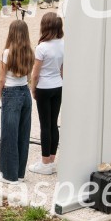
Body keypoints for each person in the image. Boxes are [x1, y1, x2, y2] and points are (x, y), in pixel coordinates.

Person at [0, 19, 34, 184]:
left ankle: (9, 176)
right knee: (23, 134)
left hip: (11, 93)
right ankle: (19, 173)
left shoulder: (7, 53)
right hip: (25, 93)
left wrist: (1, 95)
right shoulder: (30, 53)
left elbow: (1, 79)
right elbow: (29, 77)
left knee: (9, 135)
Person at [29, 12, 64, 175]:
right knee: (53, 124)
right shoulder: (63, 44)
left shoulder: (42, 47)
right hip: (58, 86)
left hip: (44, 87)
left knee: (45, 125)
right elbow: (63, 69)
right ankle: (52, 160)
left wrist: (33, 88)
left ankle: (44, 163)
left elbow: (35, 73)